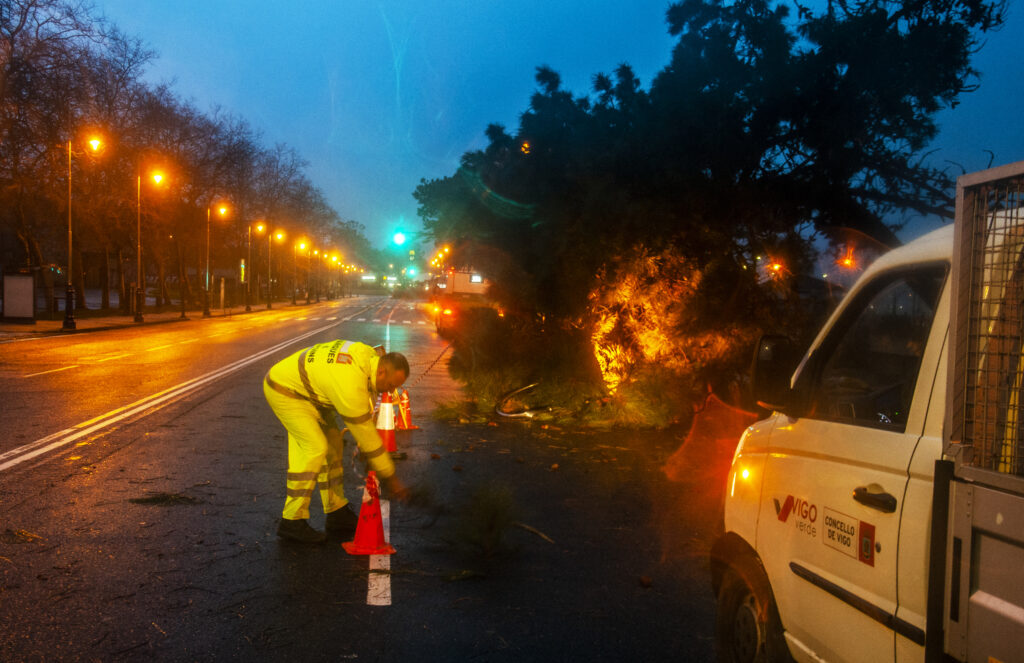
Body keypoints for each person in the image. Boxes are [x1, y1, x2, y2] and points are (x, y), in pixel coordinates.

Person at [263, 339, 410, 543]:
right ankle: (292, 520)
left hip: (309, 393)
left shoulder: (368, 358)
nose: (389, 392)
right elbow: (366, 435)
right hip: (286, 391)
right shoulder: (350, 381)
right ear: (382, 372)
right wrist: (391, 477)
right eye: (391, 385)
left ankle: (336, 511)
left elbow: (366, 413)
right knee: (315, 448)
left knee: (334, 445)